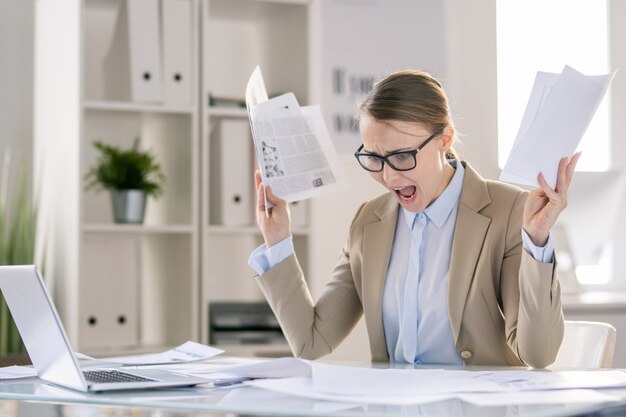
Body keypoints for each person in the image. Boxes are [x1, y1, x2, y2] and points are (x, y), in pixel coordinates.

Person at [248, 70, 579, 367]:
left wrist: (536, 241)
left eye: (402, 156)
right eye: (374, 158)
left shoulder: (507, 211)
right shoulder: (368, 222)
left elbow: (538, 355)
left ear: (444, 140)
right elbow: (312, 342)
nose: (389, 176)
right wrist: (278, 240)